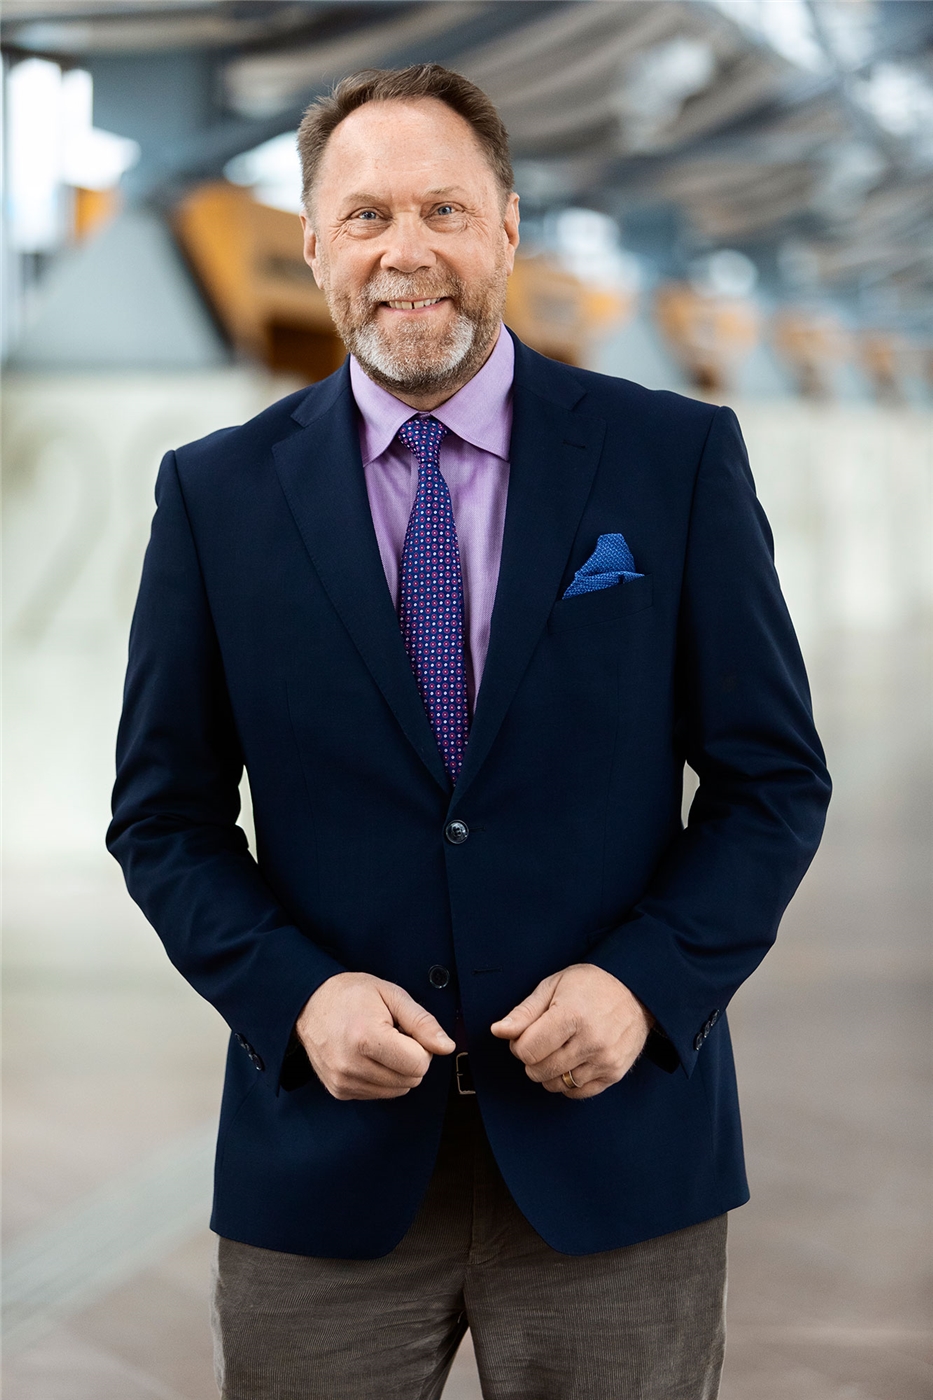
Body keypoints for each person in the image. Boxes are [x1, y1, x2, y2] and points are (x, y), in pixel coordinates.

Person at [108, 63, 830, 1400]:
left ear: (505, 228)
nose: (407, 252)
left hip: (617, 1156)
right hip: (323, 1166)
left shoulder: (670, 461)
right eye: (367, 215)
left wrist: (645, 984)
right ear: (312, 244)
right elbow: (164, 816)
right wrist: (296, 997)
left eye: (443, 209)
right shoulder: (216, 497)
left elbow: (771, 780)